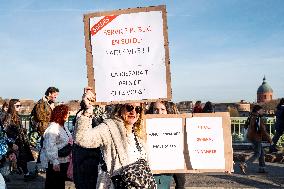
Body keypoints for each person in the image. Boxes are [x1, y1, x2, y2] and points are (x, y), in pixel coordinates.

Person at [74, 88, 155, 189]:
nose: (133, 112)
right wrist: (87, 109)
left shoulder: (139, 133)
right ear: (120, 108)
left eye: (138, 109)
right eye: (129, 107)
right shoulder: (109, 127)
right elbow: (82, 139)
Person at [147, 101, 186, 189]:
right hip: (152, 169)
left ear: (168, 110)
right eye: (155, 109)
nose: (159, 112)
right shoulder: (144, 126)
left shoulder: (176, 127)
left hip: (169, 167)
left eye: (162, 109)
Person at [72, 100, 107, 189]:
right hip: (87, 159)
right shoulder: (83, 116)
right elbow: (81, 138)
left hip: (90, 160)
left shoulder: (83, 116)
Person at [2, 99, 35, 181]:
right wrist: (11, 143)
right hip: (14, 141)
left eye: (20, 105)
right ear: (12, 106)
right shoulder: (8, 116)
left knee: (21, 158)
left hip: (19, 140)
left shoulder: (16, 115)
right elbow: (5, 130)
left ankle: (25, 173)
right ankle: (6, 176)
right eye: (17, 106)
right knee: (12, 158)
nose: (19, 107)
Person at [40, 104, 72, 189]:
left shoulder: (63, 126)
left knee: (60, 183)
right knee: (53, 183)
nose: (68, 114)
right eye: (67, 113)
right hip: (55, 161)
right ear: (60, 114)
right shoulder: (53, 128)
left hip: (62, 159)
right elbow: (50, 146)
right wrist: (55, 161)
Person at [30, 87, 59, 172]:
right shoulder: (41, 103)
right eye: (55, 95)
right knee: (44, 147)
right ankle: (40, 166)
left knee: (45, 146)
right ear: (49, 94)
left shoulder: (50, 103)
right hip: (44, 129)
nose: (56, 97)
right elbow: (40, 117)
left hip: (48, 128)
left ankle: (42, 165)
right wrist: (53, 115)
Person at [239, 105, 272, 174]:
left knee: (261, 153)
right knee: (258, 153)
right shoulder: (258, 118)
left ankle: (262, 168)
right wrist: (270, 140)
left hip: (251, 136)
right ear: (258, 111)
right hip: (256, 137)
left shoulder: (251, 116)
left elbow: (246, 126)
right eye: (261, 110)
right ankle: (244, 164)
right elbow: (263, 130)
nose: (263, 111)